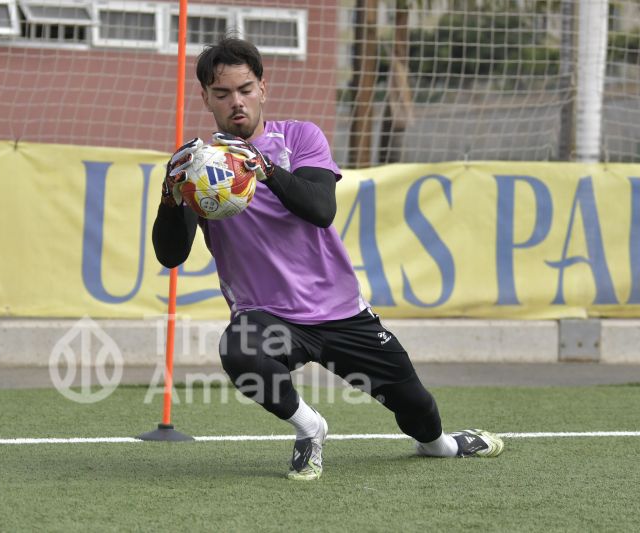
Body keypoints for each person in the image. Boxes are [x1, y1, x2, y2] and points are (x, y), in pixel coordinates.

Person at [152, 37, 503, 481]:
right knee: (240, 351)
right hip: (268, 316)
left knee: (417, 407)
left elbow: (320, 209)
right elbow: (171, 254)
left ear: (263, 88)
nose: (235, 102)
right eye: (222, 94)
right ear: (205, 98)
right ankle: (310, 428)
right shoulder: (198, 170)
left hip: (340, 312)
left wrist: (263, 167)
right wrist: (171, 193)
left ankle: (442, 445)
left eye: (244, 89)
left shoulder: (300, 137)